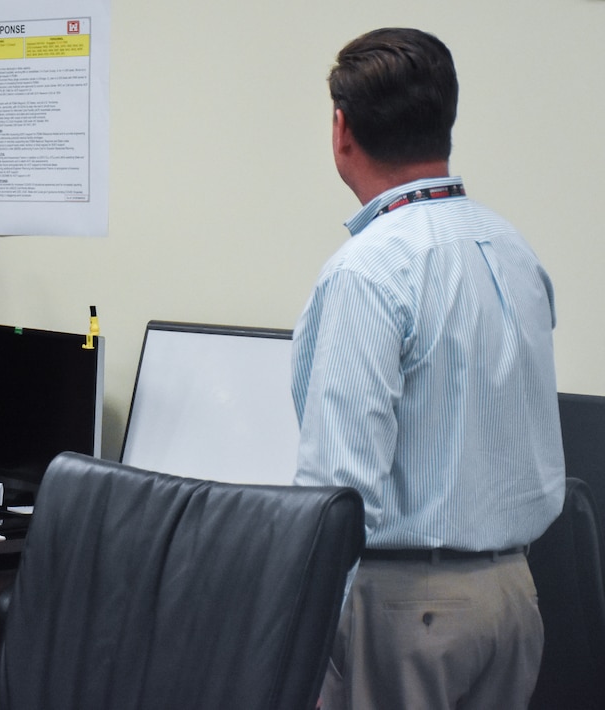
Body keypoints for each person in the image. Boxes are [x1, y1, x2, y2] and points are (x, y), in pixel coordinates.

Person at [291, 28, 565, 709]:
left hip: (405, 612)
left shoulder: (367, 271)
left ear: (341, 129)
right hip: (513, 597)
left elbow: (339, 486)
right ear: (445, 121)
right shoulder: (512, 249)